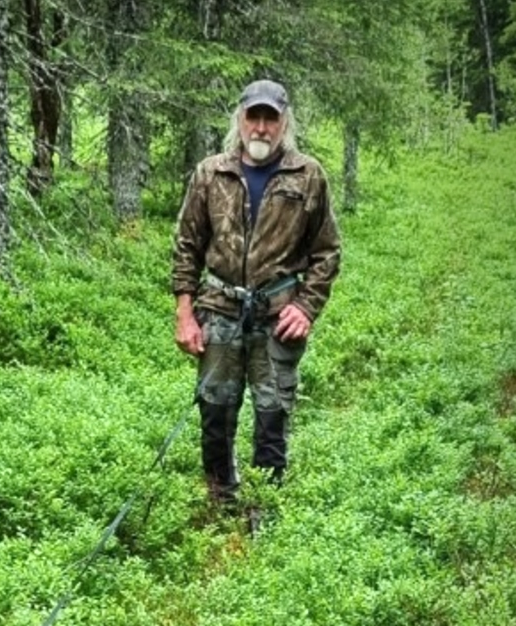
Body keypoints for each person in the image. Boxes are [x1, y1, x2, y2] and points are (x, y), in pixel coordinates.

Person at [170, 79, 341, 517]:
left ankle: (262, 513)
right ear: (240, 119)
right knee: (215, 413)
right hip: (220, 311)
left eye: (271, 118)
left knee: (272, 417)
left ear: (284, 123)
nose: (261, 128)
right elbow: (187, 246)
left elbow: (327, 252)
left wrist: (305, 307)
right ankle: (220, 503)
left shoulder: (308, 176)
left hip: (276, 316)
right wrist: (185, 315)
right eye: (254, 117)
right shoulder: (211, 173)